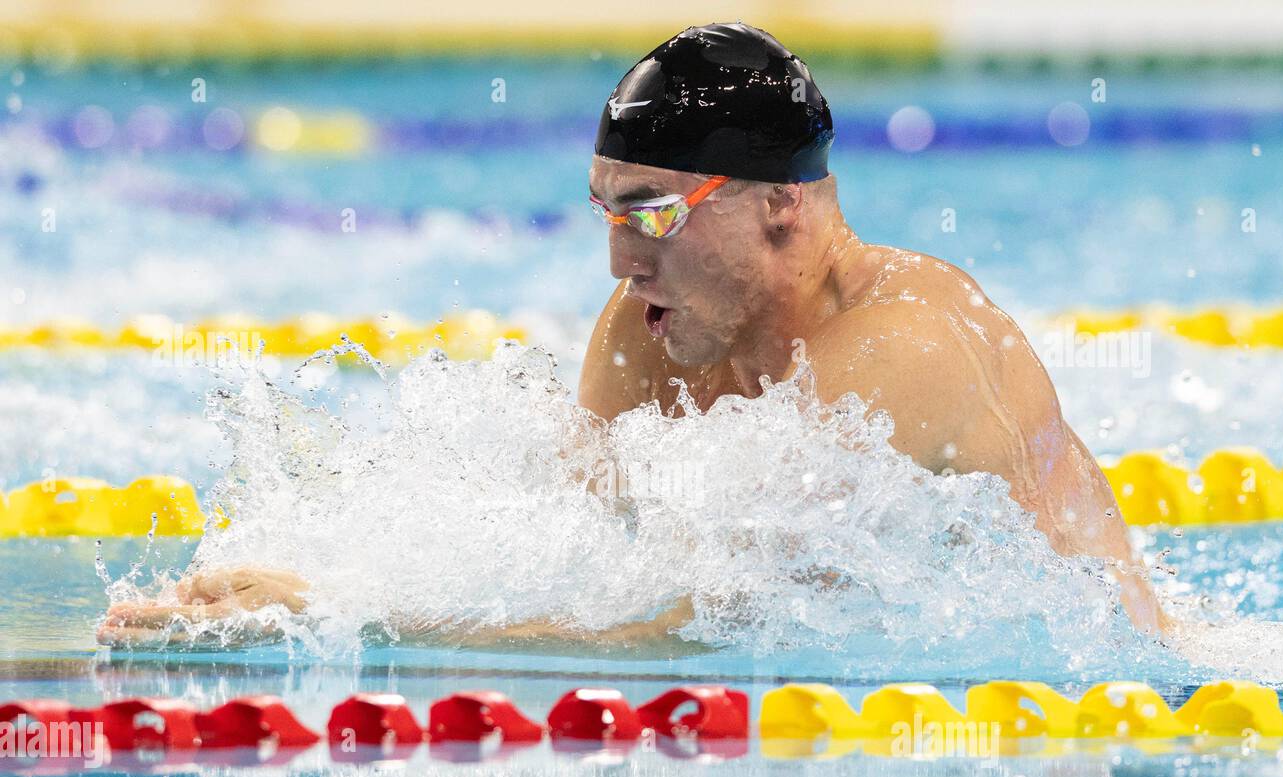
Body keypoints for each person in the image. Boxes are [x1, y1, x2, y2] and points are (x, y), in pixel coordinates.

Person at [97, 22, 1165, 649]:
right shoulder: (653, 325)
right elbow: (572, 546)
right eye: (606, 209)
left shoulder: (909, 348)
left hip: (1062, 725)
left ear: (778, 206)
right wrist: (291, 574)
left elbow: (694, 619)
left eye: (651, 211)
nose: (619, 259)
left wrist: (351, 617)